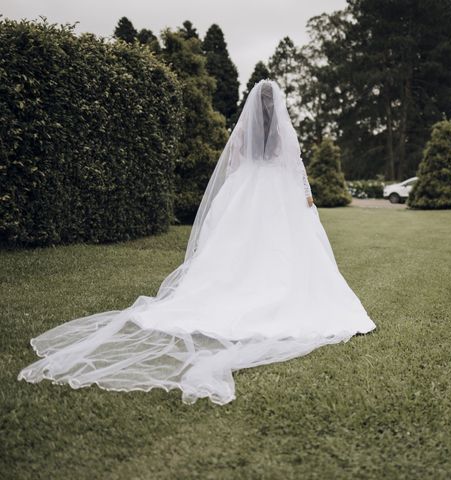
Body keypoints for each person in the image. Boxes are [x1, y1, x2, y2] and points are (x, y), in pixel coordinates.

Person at [18, 80, 376, 404]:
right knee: (279, 248)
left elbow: (233, 164)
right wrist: (306, 198)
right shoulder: (284, 133)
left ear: (252, 107)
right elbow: (296, 168)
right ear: (278, 106)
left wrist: (238, 193)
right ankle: (273, 289)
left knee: (235, 247)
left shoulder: (243, 133)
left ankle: (234, 288)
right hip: (276, 192)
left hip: (245, 189)